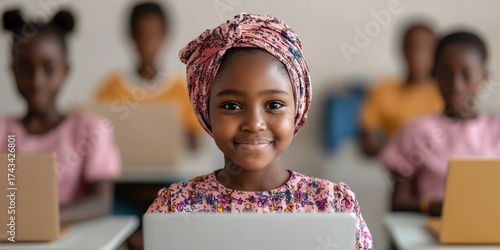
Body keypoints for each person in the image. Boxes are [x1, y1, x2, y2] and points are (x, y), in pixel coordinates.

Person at [147, 13, 373, 249]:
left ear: (297, 110)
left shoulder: (332, 205)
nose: (254, 124)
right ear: (205, 111)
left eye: (274, 105)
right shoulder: (174, 209)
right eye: (231, 106)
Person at [0, 9, 120, 224]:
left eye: (49, 68)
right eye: (26, 69)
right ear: (12, 71)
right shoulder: (3, 131)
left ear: (65, 70)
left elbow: (101, 202)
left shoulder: (91, 129)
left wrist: (38, 221)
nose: (37, 81)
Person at [379, 31, 500, 216]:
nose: (456, 85)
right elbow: (398, 202)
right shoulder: (415, 131)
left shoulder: (495, 130)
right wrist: (433, 206)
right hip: (426, 232)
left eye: (467, 75)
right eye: (445, 75)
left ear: (484, 76)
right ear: (433, 74)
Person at [95, 2, 202, 150]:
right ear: (132, 37)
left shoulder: (182, 89)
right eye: (141, 35)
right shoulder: (111, 87)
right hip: (123, 171)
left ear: (164, 37)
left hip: (170, 171)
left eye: (154, 35)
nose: (148, 43)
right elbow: (97, 138)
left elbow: (195, 145)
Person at [359, 23, 444, 157]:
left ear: (436, 53)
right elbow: (367, 145)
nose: (416, 53)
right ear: (402, 50)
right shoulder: (382, 90)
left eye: (424, 48)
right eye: (411, 46)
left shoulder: (445, 92)